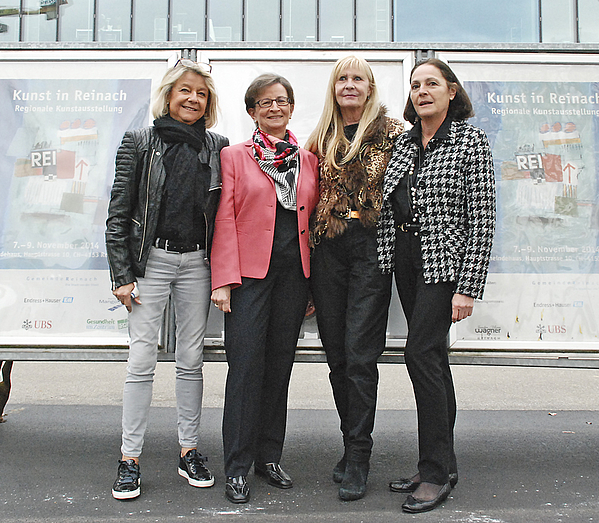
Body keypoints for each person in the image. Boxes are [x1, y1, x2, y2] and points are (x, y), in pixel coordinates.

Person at [105, 60, 228, 500]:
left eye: (201, 94)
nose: (193, 99)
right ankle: (129, 459)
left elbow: (226, 217)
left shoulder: (218, 146)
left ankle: (188, 450)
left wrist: (224, 274)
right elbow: (118, 213)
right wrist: (121, 274)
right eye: (185, 91)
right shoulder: (139, 141)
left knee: (191, 359)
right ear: (169, 95)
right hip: (151, 262)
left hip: (198, 264)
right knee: (141, 362)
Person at [378, 58, 496, 514]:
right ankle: (442, 462)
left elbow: (481, 220)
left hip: (443, 266)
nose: (422, 91)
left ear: (451, 91)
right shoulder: (405, 142)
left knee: (420, 354)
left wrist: (467, 286)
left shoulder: (470, 139)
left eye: (432, 84)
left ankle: (433, 474)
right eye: (415, 85)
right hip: (405, 259)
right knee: (434, 360)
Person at [210, 73, 319, 504]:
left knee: (279, 367)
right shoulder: (235, 156)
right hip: (249, 278)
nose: (274, 108)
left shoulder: (309, 160)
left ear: (291, 107)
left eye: (281, 101)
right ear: (252, 111)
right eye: (264, 103)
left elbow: (313, 221)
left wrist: (313, 283)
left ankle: (269, 456)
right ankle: (237, 466)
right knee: (245, 368)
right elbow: (225, 216)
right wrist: (223, 280)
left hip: (295, 277)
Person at [305, 55, 403, 501]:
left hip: (370, 249)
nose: (349, 85)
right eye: (342, 78)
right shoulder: (319, 137)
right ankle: (351, 443)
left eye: (357, 79)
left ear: (370, 86)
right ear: (334, 87)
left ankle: (358, 455)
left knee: (361, 356)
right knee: (337, 356)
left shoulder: (394, 134)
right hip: (328, 251)